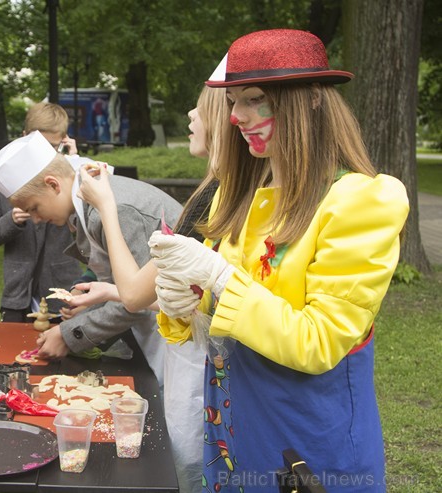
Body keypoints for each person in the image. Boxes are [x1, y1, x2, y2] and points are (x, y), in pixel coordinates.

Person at [148, 29, 409, 492]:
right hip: (232, 425)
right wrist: (182, 302)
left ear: (309, 100)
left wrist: (219, 277)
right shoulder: (240, 193)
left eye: (253, 99)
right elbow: (229, 305)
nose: (235, 117)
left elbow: (318, 341)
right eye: (233, 101)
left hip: (309, 440)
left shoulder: (364, 200)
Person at [69, 84, 225, 493]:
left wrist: (105, 206)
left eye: (201, 109)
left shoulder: (216, 196)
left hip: (207, 360)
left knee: (193, 463)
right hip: (205, 356)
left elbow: (137, 293)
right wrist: (107, 293)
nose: (190, 116)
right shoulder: (212, 192)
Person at [0, 131, 183, 386]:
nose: (34, 219)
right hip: (155, 326)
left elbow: (139, 297)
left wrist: (69, 335)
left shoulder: (112, 209)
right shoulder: (85, 207)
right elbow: (116, 284)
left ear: (53, 184)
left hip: (179, 332)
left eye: (34, 208)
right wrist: (90, 302)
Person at [0, 102, 83, 322]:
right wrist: (11, 220)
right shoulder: (4, 176)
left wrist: (75, 165)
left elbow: (87, 234)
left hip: (61, 287)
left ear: (64, 140)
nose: (46, 153)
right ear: (24, 136)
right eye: (40, 145)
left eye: (53, 146)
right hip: (17, 293)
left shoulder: (72, 172)